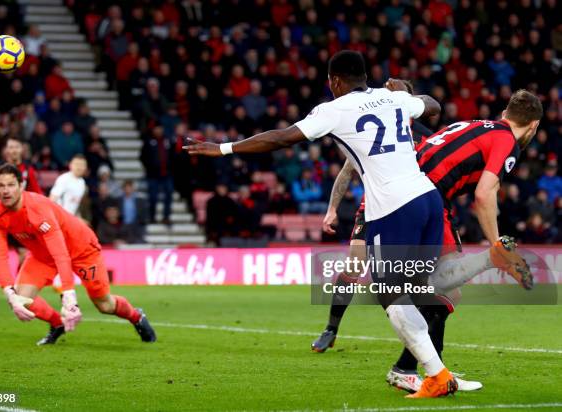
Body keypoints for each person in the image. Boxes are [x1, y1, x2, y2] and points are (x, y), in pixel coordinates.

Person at [185, 50, 458, 398]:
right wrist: (407, 95)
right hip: (428, 199)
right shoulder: (392, 98)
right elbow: (433, 107)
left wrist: (223, 148)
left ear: (335, 82)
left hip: (393, 207)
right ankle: (427, 368)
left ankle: (435, 374)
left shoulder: (334, 109)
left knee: (388, 293)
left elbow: (282, 137)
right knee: (416, 288)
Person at [313, 89, 542, 392]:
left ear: (504, 114)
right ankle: (417, 370)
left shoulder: (478, 124)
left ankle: (422, 369)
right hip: (423, 195)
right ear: (534, 126)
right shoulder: (507, 141)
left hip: (413, 189)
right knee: (431, 290)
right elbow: (484, 193)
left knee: (431, 290)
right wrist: (497, 244)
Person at [0, 163, 156, 345]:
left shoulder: (38, 209)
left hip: (81, 251)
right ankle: (57, 324)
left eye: (11, 185)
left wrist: (69, 296)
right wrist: (9, 293)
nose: (5, 191)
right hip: (42, 256)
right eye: (1, 185)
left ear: (21, 186)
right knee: (22, 297)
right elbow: (0, 255)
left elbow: (61, 254)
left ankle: (136, 316)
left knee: (104, 305)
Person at [0, 136, 43, 307]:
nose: (14, 150)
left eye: (17, 146)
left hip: (22, 222)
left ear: (21, 149)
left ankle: (16, 290)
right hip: (1, 220)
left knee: (24, 256)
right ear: (6, 150)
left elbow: (36, 192)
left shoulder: (28, 169)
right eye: (11, 147)